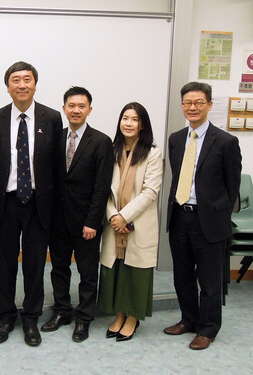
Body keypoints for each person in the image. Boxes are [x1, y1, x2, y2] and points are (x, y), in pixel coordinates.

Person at [0, 61, 62, 346]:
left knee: (34, 265)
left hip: (38, 204)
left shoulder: (52, 118)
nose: (22, 85)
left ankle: (31, 319)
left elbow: (55, 168)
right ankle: (5, 317)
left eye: (27, 79)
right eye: (15, 80)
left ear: (35, 84)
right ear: (8, 87)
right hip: (6, 204)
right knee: (5, 265)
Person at [164, 82, 241, 350]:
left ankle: (207, 328)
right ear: (182, 105)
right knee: (182, 274)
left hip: (208, 221)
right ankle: (188, 319)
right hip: (179, 216)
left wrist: (217, 215)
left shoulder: (226, 142)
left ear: (209, 105)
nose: (192, 107)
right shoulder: (175, 139)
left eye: (198, 102)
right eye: (187, 102)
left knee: (209, 279)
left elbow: (233, 188)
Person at [41, 86, 114, 342]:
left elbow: (102, 186)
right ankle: (62, 311)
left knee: (87, 272)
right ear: (64, 109)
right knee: (59, 269)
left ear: (89, 110)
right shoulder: (55, 138)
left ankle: (83, 318)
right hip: (57, 220)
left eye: (81, 106)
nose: (76, 110)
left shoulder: (102, 141)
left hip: (87, 223)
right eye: (71, 106)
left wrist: (93, 220)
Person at [97, 102, 163, 342]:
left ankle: (132, 318)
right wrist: (113, 215)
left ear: (142, 124)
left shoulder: (152, 153)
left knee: (135, 272)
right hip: (114, 222)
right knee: (115, 270)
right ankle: (119, 314)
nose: (128, 123)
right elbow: (103, 187)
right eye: (125, 118)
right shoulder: (112, 149)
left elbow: (150, 191)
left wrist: (124, 216)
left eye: (134, 119)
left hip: (138, 223)